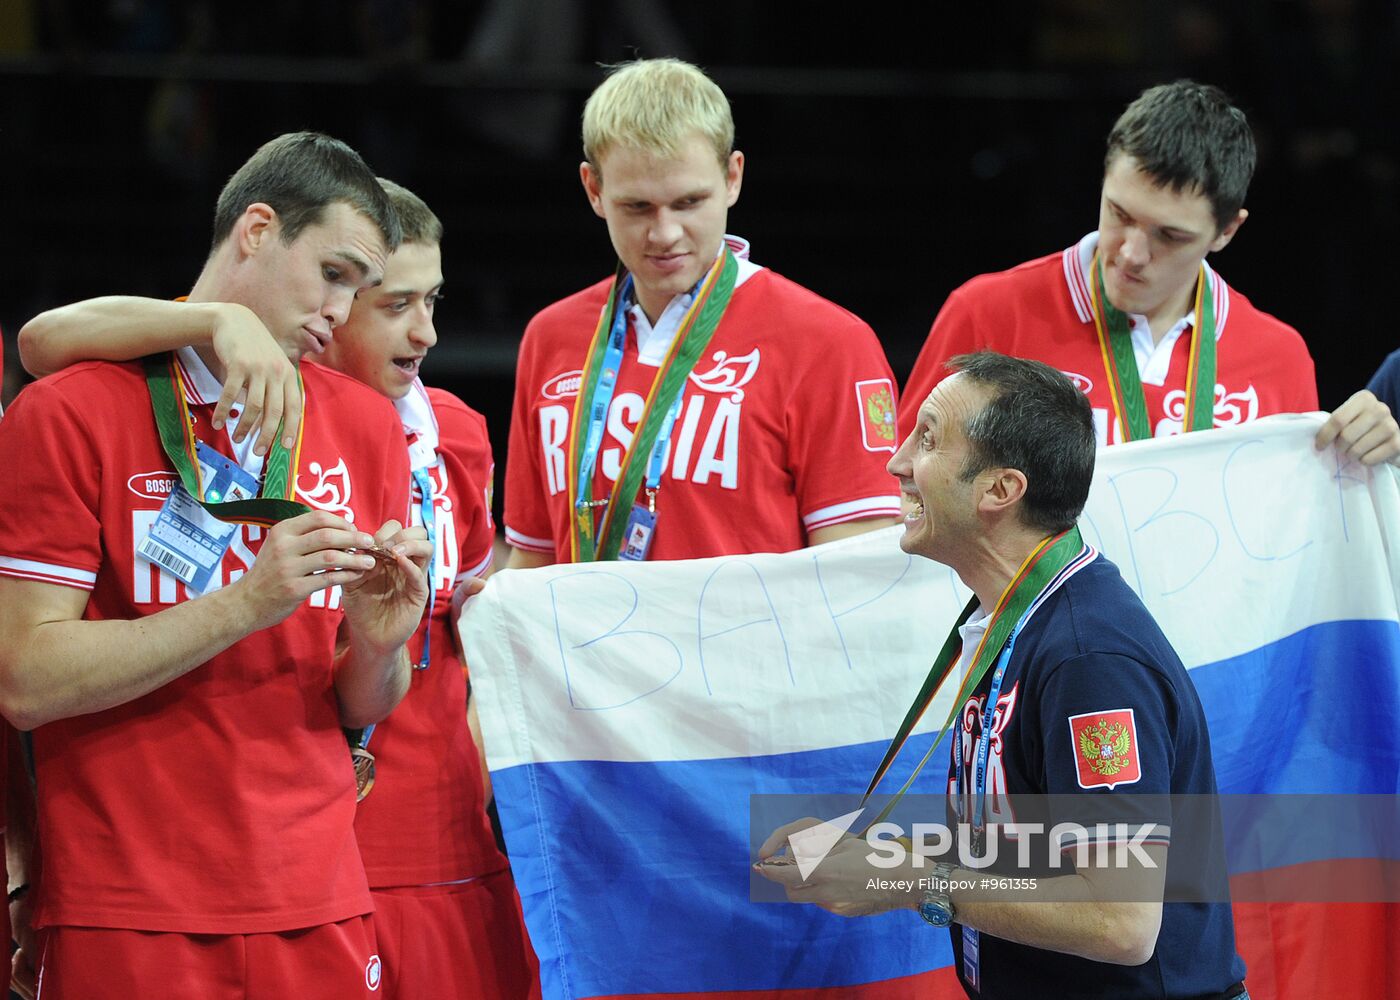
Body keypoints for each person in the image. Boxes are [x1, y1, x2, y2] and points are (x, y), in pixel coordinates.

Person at [17, 180, 540, 999]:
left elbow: (360, 706)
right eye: (334, 273)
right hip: (126, 906)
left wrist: (377, 641)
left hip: (321, 898)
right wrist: (247, 603)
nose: (341, 309)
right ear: (258, 229)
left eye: (359, 289)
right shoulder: (72, 408)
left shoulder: (370, 427)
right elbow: (24, 679)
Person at [760, 352, 1248, 999]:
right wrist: (878, 860)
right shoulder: (1016, 620)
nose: (896, 462)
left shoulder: (1087, 659)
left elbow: (1121, 921)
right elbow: (1030, 851)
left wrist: (909, 882)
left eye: (927, 439)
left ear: (999, 490)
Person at [504, 57, 901, 568]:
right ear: (593, 189)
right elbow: (533, 561)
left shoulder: (828, 342)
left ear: (733, 177)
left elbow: (858, 577)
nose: (665, 233)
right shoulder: (550, 337)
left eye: (689, 202)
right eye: (637, 207)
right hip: (578, 651)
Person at [898, 80, 1400, 468]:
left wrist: (1372, 463)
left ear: (1227, 231)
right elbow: (903, 494)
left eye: (1169, 236)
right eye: (1119, 213)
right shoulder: (989, 316)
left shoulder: (1278, 357)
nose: (1132, 253)